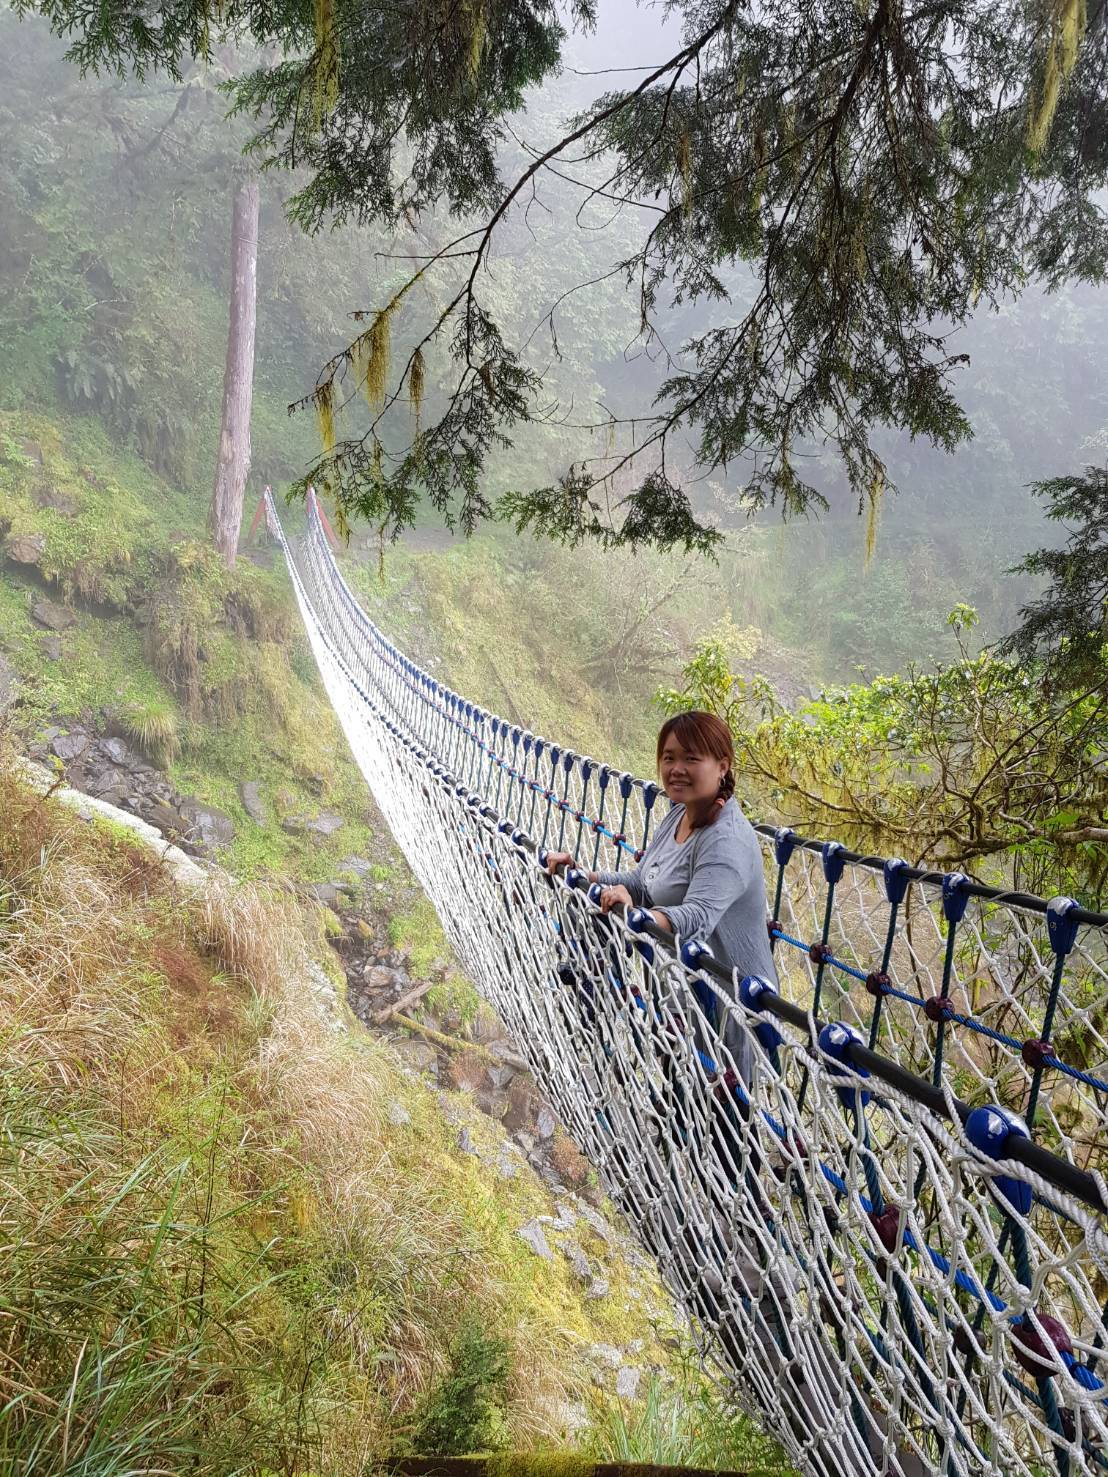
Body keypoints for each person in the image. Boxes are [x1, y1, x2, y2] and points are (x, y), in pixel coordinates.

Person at [543, 709, 778, 1079]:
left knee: (723, 1124)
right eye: (669, 757)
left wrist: (644, 916)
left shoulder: (727, 839)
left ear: (722, 766)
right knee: (681, 1109)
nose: (676, 768)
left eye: (691, 758)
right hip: (683, 994)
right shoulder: (679, 814)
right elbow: (644, 883)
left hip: (732, 1009)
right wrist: (586, 875)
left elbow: (698, 916)